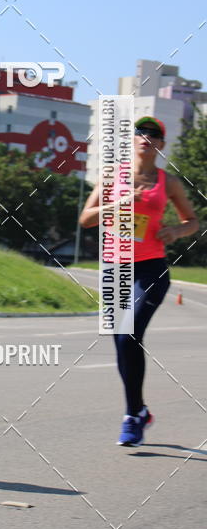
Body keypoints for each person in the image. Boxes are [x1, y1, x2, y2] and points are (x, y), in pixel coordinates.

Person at [79, 116, 199, 447]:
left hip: (151, 268)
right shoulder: (110, 176)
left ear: (161, 144)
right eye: (141, 132)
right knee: (121, 339)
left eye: (154, 134)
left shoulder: (168, 183)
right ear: (133, 140)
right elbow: (86, 219)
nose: (146, 137)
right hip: (116, 270)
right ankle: (139, 411)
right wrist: (119, 203)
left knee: (129, 331)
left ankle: (132, 418)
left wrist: (176, 230)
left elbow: (192, 221)